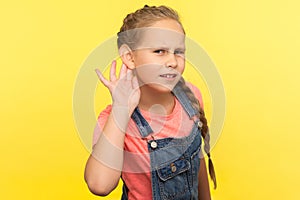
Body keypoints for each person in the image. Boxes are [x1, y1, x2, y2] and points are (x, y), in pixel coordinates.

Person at [84, 5, 217, 200]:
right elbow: (99, 185)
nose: (172, 61)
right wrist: (122, 109)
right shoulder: (114, 120)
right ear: (129, 57)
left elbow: (197, 164)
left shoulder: (191, 96)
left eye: (178, 51)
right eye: (160, 51)